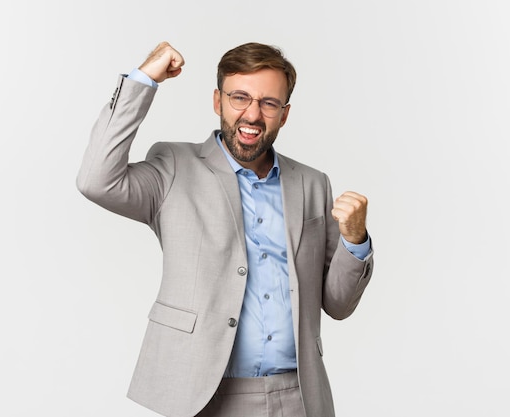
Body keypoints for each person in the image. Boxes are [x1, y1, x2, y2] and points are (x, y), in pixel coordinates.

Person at [77, 40, 374, 417]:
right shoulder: (173, 166)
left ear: (284, 114)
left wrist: (355, 240)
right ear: (217, 101)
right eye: (240, 98)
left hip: (298, 395)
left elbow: (338, 304)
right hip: (205, 394)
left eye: (268, 103)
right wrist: (144, 79)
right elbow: (96, 180)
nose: (252, 114)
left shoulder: (313, 184)